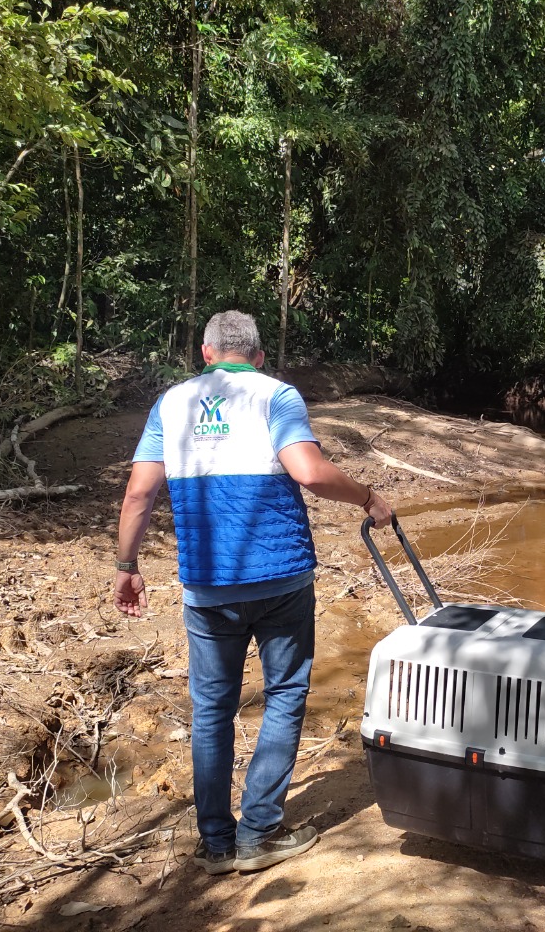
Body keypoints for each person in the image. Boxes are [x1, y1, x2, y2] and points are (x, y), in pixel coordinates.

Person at [113, 310, 392, 875]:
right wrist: (367, 498)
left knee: (212, 710)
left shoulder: (172, 402)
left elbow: (139, 493)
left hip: (208, 586)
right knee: (285, 694)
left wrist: (126, 564)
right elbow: (309, 473)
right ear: (259, 356)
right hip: (282, 578)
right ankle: (258, 833)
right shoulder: (277, 396)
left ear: (206, 352)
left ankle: (216, 844)